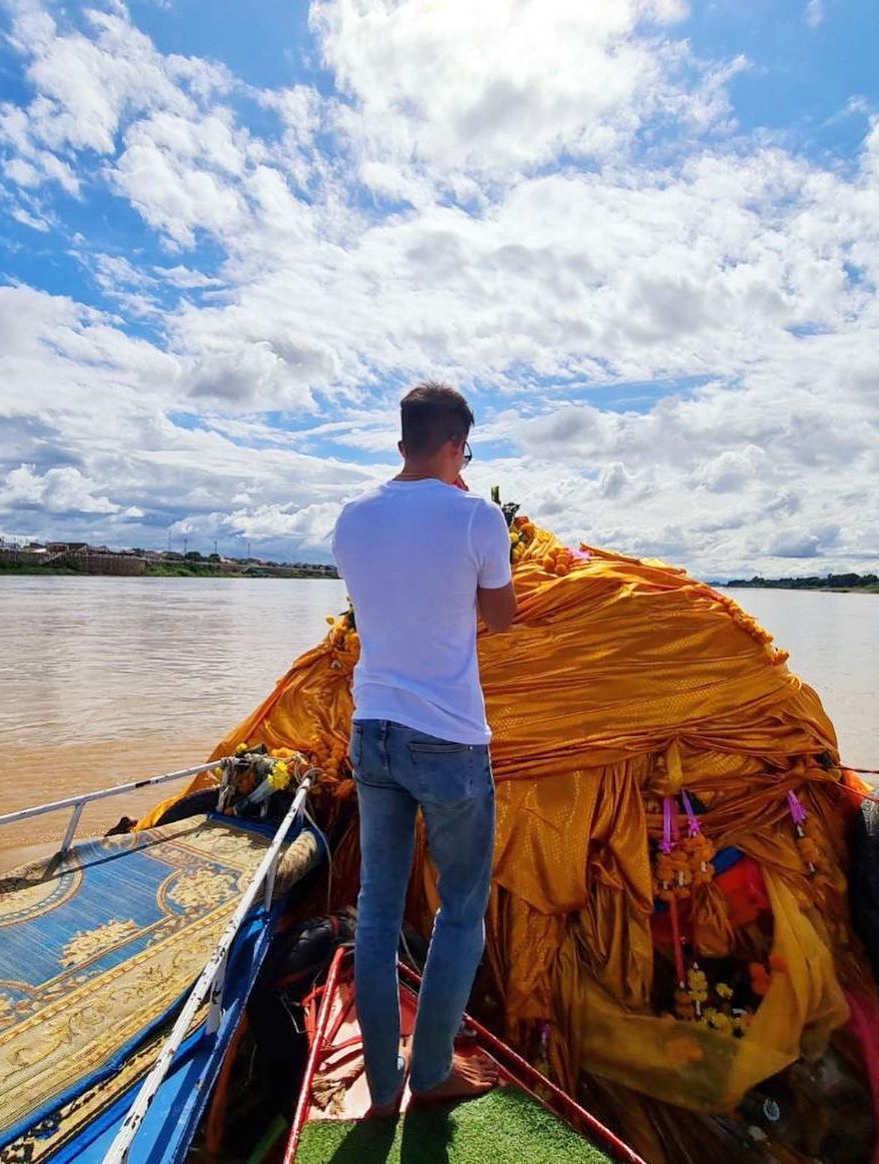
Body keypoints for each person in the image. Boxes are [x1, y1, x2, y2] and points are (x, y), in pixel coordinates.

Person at [331, 380, 517, 1116]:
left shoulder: (352, 518)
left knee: (376, 911)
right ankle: (432, 1067)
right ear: (454, 443)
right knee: (462, 906)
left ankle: (381, 1089)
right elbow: (502, 620)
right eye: (463, 449)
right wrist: (469, 519)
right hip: (448, 740)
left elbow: (387, 601)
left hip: (371, 730)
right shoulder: (478, 515)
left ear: (401, 440)